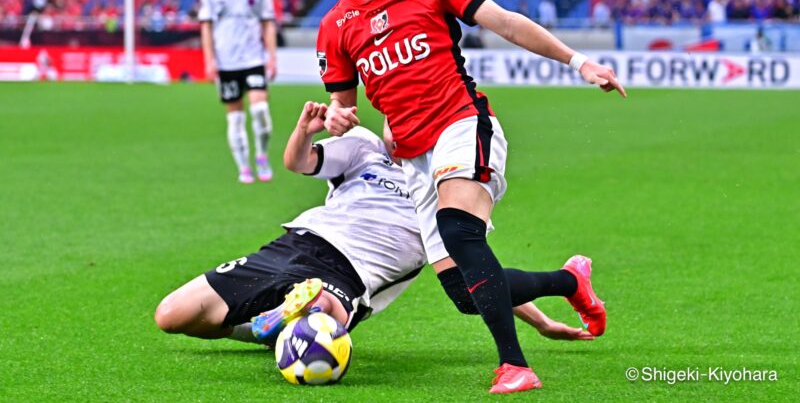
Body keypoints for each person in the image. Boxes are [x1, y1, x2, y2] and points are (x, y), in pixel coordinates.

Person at [309, 0, 624, 393]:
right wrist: (337, 119)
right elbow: (343, 107)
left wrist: (579, 62)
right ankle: (570, 281)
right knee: (463, 290)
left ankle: (515, 366)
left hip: (463, 123)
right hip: (411, 157)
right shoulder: (335, 25)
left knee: (458, 230)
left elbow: (505, 23)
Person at [154, 102, 598, 349]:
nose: (398, 129)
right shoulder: (363, 146)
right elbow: (298, 162)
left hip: (350, 276)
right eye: (393, 120)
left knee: (323, 311)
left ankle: (300, 318)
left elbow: (478, 275)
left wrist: (540, 322)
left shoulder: (445, 185)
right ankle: (267, 329)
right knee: (171, 316)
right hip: (297, 243)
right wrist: (305, 129)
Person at [198, 0, 278, 184]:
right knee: (235, 118)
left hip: (253, 60)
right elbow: (206, 27)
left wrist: (272, 57)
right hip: (226, 63)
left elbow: (268, 23)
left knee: (260, 110)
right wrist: (209, 60)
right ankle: (243, 165)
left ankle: (262, 155)